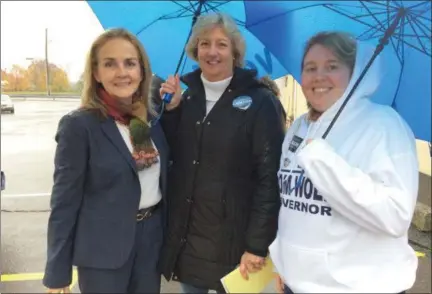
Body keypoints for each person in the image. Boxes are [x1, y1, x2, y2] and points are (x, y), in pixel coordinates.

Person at [270, 31, 419, 293]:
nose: (318, 76)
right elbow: (291, 206)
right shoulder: (299, 128)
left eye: (332, 67)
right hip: (295, 285)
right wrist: (284, 263)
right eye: (310, 67)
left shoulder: (383, 125)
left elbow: (396, 215)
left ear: (354, 72)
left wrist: (324, 162)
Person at [157, 12, 284, 293]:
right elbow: (173, 159)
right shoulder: (186, 98)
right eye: (204, 43)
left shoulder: (261, 102)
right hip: (190, 243)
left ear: (235, 51)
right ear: (195, 50)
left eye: (221, 44)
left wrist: (257, 245)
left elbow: (269, 179)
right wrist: (172, 112)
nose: (212, 52)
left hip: (237, 247)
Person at [42, 28, 169, 294]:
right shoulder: (79, 126)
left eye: (130, 63)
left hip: (150, 243)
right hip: (103, 252)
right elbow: (64, 203)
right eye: (110, 64)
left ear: (142, 71)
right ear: (96, 73)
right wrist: (57, 273)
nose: (122, 72)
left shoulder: (147, 120)